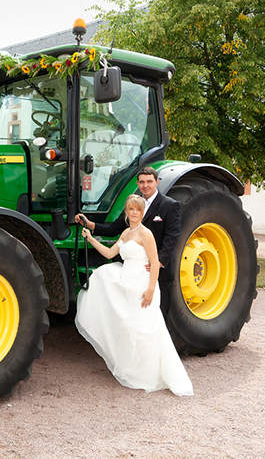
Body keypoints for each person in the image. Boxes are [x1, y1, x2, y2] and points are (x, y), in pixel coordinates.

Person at [75, 194, 193, 395]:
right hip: (126, 280)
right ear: (127, 212)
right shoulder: (126, 234)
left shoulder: (146, 234)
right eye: (131, 209)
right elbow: (110, 254)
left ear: (142, 212)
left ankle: (147, 375)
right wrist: (91, 239)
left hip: (142, 284)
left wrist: (150, 289)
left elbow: (155, 262)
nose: (135, 213)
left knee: (143, 329)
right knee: (126, 323)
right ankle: (131, 369)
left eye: (138, 210)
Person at [75, 166, 181, 315]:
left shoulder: (170, 205)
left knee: (158, 318)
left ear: (157, 182)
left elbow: (171, 238)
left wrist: (158, 262)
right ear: (137, 184)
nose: (145, 185)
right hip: (134, 275)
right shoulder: (133, 206)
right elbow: (113, 229)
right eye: (142, 182)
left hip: (158, 270)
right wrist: (89, 224)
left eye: (149, 181)